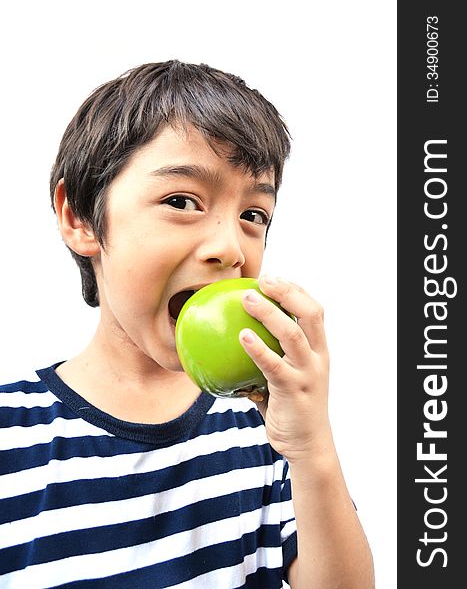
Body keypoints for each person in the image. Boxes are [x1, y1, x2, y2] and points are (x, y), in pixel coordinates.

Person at [0, 60, 375, 588]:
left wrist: (313, 446)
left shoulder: (267, 432)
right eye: (181, 201)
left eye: (254, 215)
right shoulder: (11, 435)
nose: (230, 247)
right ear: (79, 217)